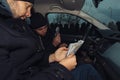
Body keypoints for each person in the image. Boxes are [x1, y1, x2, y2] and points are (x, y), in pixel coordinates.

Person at [0, 0, 77, 80]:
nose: (29, 14)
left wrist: (53, 57)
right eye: (27, 6)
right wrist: (61, 70)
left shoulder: (20, 23)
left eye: (45, 27)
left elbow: (31, 59)